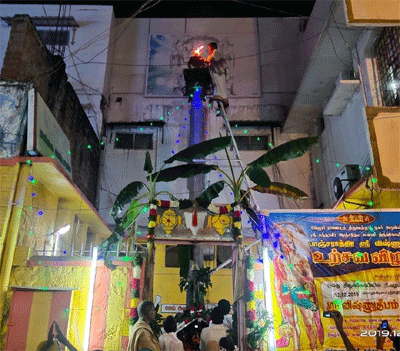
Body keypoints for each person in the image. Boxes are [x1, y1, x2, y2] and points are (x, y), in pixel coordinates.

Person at [273, 224, 324, 351]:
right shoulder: (279, 260)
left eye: (289, 242)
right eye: (284, 242)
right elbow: (277, 279)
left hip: (301, 290)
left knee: (308, 322)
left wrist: (307, 284)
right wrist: (278, 296)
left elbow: (310, 278)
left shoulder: (301, 258)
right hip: (286, 291)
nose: (287, 245)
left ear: (293, 242)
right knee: (292, 323)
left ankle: (314, 347)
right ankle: (297, 348)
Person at [204, 42, 229, 109]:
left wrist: (208, 61)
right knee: (217, 85)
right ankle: (219, 95)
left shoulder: (216, 53)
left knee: (220, 85)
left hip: (219, 73)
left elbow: (214, 60)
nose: (208, 49)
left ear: (212, 47)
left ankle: (221, 97)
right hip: (216, 73)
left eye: (209, 47)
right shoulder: (212, 54)